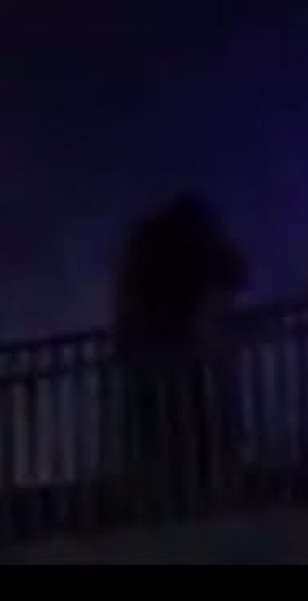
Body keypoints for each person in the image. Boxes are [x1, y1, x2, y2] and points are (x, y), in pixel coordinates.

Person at [111, 194, 245, 516]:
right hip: (173, 358)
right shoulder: (183, 249)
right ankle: (195, 497)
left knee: (160, 437)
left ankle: (162, 500)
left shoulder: (148, 251)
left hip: (151, 361)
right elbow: (232, 273)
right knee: (188, 430)